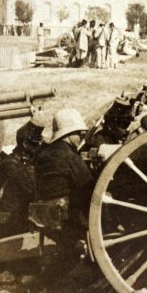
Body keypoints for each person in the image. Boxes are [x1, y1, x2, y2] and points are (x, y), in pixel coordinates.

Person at [34, 109, 93, 265]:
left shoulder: (45, 154)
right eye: (78, 133)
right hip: (65, 217)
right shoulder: (70, 157)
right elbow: (88, 186)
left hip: (41, 214)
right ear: (68, 134)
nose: (80, 137)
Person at [0, 113, 49, 240]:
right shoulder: (12, 165)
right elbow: (33, 189)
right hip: (4, 220)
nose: (39, 148)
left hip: (9, 216)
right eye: (36, 145)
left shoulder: (21, 162)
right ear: (26, 144)